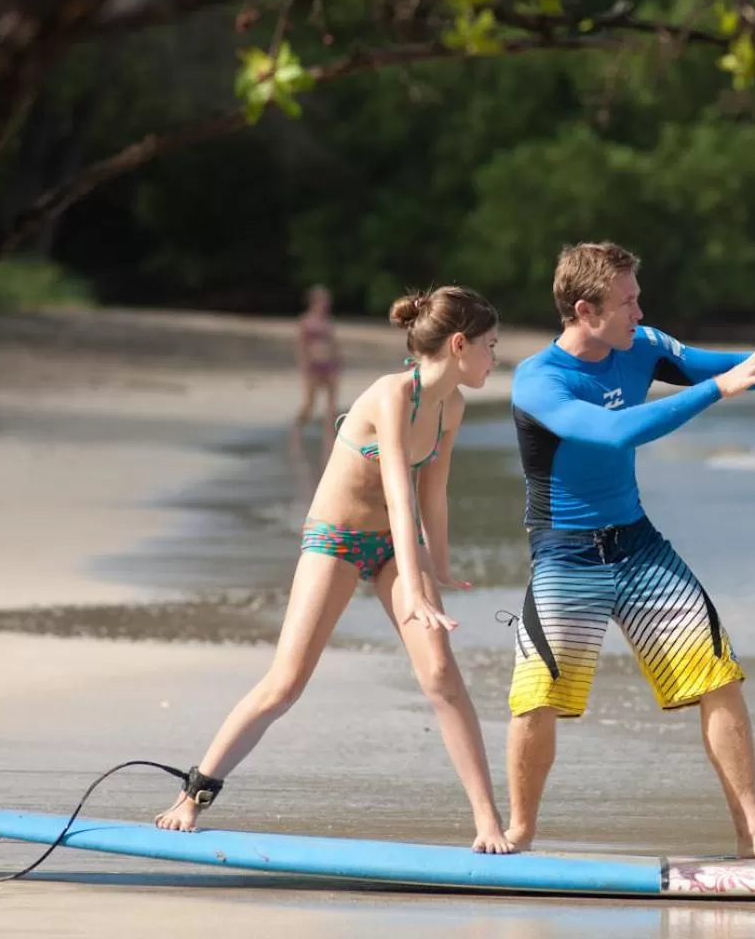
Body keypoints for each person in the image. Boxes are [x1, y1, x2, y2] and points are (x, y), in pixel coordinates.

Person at [500, 242, 755, 862]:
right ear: (585, 310)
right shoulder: (540, 381)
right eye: (628, 302)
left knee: (719, 676)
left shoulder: (642, 346)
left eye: (638, 297)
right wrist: (715, 391)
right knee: (539, 696)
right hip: (565, 555)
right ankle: (519, 834)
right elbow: (615, 432)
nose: (640, 311)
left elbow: (741, 365)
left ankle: (754, 834)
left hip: (637, 545)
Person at [156, 286, 515, 853]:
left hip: (395, 546)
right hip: (337, 541)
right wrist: (415, 593)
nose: (497, 359)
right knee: (286, 683)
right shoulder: (391, 394)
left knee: (442, 677)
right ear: (459, 343)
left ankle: (489, 823)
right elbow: (399, 490)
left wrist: (436, 567)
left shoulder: (453, 405)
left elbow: (435, 492)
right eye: (491, 347)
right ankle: (192, 795)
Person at [293, 285, 341, 458]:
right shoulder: (306, 321)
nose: (326, 304)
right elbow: (300, 346)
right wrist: (304, 366)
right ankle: (296, 433)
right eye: (323, 300)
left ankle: (330, 440)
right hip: (313, 366)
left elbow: (334, 345)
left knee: (331, 406)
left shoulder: (329, 322)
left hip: (329, 365)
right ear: (314, 302)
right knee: (309, 404)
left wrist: (338, 363)